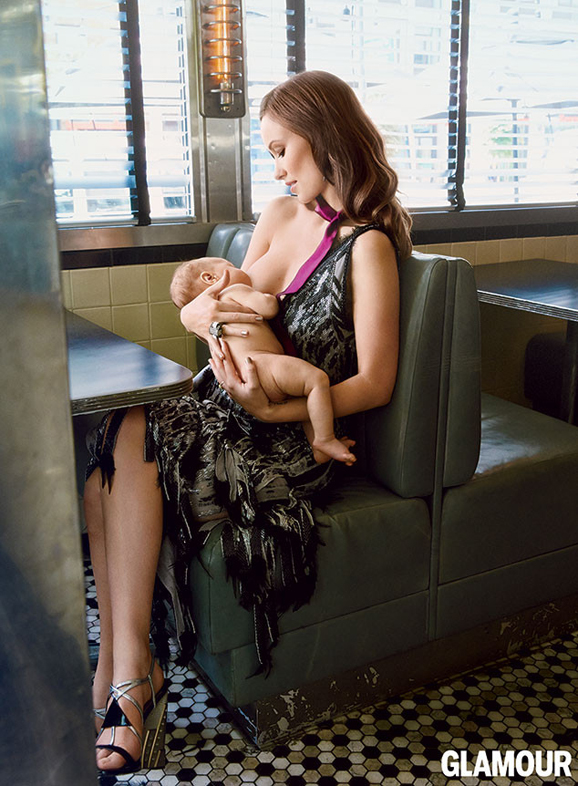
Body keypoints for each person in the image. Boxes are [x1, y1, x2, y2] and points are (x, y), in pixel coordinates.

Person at [84, 69, 412, 775]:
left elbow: (376, 383)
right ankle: (122, 663)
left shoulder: (369, 246)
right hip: (228, 407)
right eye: (270, 154)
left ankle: (130, 681)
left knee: (133, 439)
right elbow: (217, 303)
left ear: (324, 136)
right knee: (116, 427)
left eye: (282, 149)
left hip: (290, 434)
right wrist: (201, 320)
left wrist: (275, 407)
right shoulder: (278, 216)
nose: (278, 168)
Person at [170, 255, 357, 465]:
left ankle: (318, 449)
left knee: (304, 398)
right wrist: (268, 296)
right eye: (231, 265)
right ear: (210, 278)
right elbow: (269, 308)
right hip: (261, 365)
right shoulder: (232, 291)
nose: (242, 269)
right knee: (316, 381)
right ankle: (325, 438)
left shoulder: (211, 322)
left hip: (245, 377)